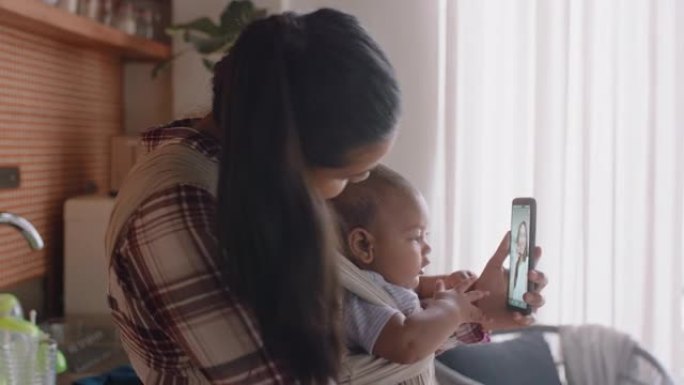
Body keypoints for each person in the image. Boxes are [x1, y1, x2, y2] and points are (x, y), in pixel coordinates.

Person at [105, 8, 547, 385]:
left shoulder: (246, 181)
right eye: (347, 174)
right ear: (286, 152)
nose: (350, 189)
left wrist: (469, 309)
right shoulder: (176, 209)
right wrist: (452, 317)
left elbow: (342, 320)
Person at [330, 165, 490, 366]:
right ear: (364, 245)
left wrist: (447, 283)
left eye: (426, 236)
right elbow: (408, 345)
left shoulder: (382, 284)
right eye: (416, 237)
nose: (428, 248)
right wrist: (452, 310)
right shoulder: (357, 301)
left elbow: (416, 288)